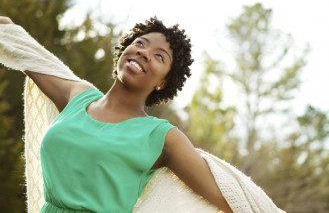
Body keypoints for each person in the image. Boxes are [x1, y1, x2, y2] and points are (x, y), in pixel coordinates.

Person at [0, 16, 233, 212]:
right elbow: (30, 55)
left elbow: (228, 201)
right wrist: (6, 29)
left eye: (159, 56)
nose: (144, 53)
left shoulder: (161, 136)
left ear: (164, 82)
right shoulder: (78, 96)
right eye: (140, 43)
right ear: (125, 48)